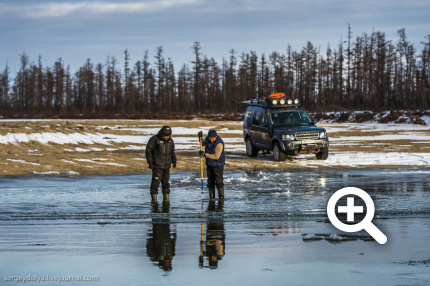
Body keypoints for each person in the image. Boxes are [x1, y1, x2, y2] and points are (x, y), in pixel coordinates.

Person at [146, 126, 177, 203]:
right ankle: (154, 203)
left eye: (169, 135)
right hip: (157, 165)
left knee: (166, 184)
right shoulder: (154, 139)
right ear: (162, 134)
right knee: (155, 183)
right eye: (166, 135)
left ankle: (166, 201)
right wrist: (150, 162)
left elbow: (172, 151)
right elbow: (148, 151)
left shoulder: (170, 141)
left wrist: (174, 160)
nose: (167, 137)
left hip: (167, 165)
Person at [198, 130, 225, 200]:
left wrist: (205, 154)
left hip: (218, 165)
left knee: (219, 182)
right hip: (209, 164)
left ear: (215, 137)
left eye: (212, 138)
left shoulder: (219, 143)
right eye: (210, 138)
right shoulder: (208, 139)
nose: (211, 140)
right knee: (210, 182)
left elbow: (216, 156)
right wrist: (200, 138)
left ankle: (221, 198)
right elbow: (202, 143)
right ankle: (211, 198)